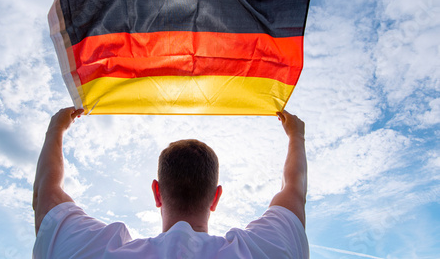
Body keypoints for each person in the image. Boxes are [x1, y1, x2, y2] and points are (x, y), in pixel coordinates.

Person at [33, 107, 308, 258]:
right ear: (216, 197)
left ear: (157, 192)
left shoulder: (102, 251)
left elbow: (46, 196)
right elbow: (294, 192)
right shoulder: (257, 251)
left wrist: (55, 129)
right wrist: (296, 136)